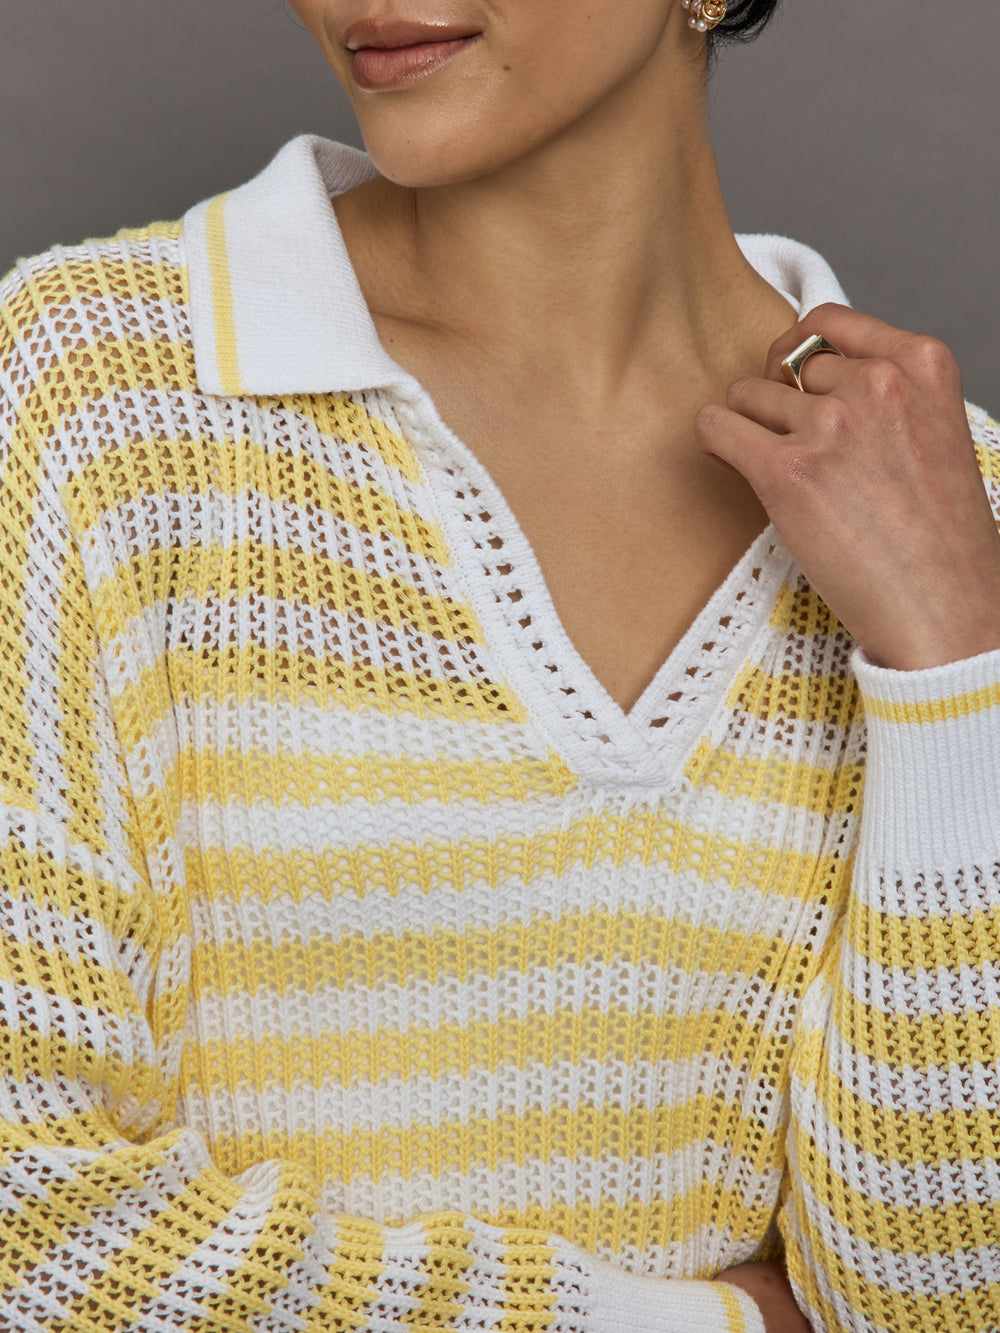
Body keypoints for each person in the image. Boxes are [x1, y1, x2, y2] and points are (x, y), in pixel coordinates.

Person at [0, 0, 997, 1329]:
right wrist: (707, 1323)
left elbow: (943, 1294)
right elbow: (31, 1229)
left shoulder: (954, 511)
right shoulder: (86, 402)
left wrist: (951, 673)